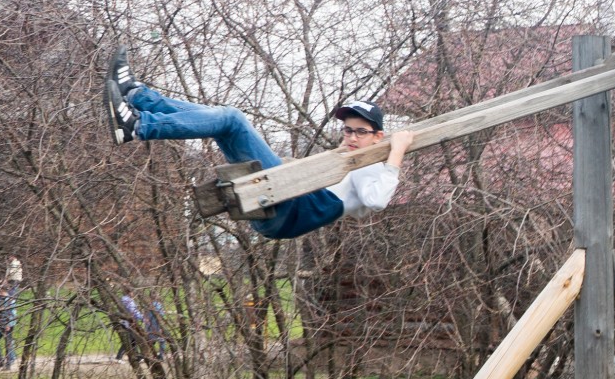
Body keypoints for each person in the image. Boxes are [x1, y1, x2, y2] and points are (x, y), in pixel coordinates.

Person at [102, 47, 416, 241]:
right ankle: (138, 98)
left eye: (360, 132)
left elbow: (376, 201)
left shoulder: (371, 167)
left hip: (290, 208)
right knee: (224, 127)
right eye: (347, 130)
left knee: (232, 120)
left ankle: (139, 123)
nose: (350, 137)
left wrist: (397, 150)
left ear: (378, 136)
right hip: (277, 208)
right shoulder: (349, 161)